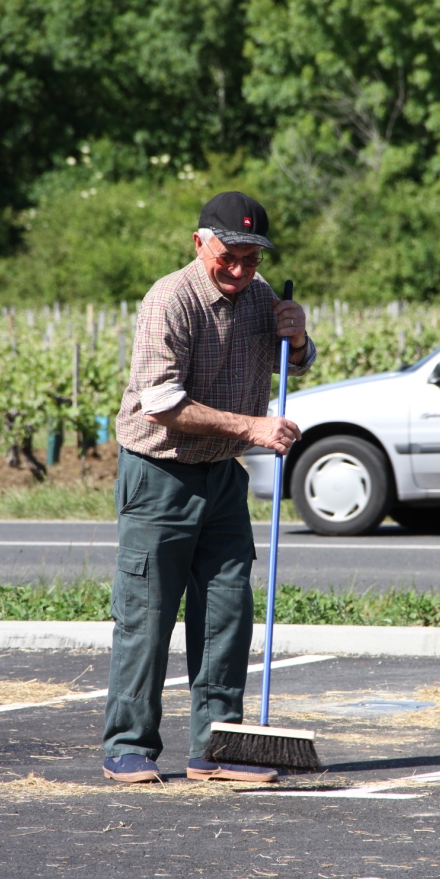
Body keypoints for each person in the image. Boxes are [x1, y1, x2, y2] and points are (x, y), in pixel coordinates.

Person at [102, 191, 316, 785]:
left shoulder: (261, 295)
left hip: (223, 476)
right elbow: (161, 402)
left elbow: (293, 363)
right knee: (147, 614)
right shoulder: (169, 300)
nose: (242, 270)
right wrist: (253, 426)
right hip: (159, 473)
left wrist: (297, 339)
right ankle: (128, 746)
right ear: (200, 244)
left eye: (252, 258)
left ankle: (216, 749)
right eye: (230, 256)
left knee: (227, 613)